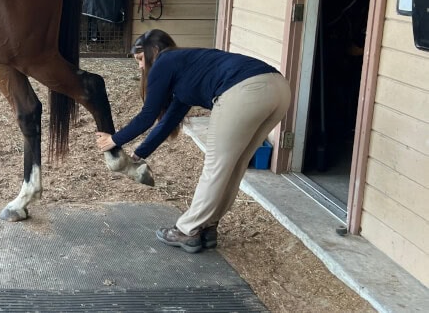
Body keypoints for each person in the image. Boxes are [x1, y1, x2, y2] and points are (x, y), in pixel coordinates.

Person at [95, 29, 291, 253]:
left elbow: (147, 115)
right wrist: (138, 155)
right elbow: (167, 121)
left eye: (140, 59)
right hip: (279, 89)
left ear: (155, 50)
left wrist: (114, 139)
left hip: (245, 90)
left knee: (216, 166)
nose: (140, 67)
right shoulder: (187, 67)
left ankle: (187, 230)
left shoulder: (164, 61)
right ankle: (207, 227)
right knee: (234, 166)